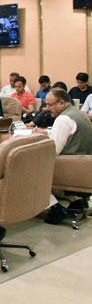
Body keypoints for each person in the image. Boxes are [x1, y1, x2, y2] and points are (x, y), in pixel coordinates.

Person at [41, 88, 92, 224]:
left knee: (29, 168)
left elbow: (53, 151)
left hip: (69, 169)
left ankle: (55, 207)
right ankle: (76, 201)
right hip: (83, 167)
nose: (47, 108)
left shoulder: (63, 119)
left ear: (62, 103)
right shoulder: (80, 114)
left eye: (50, 105)